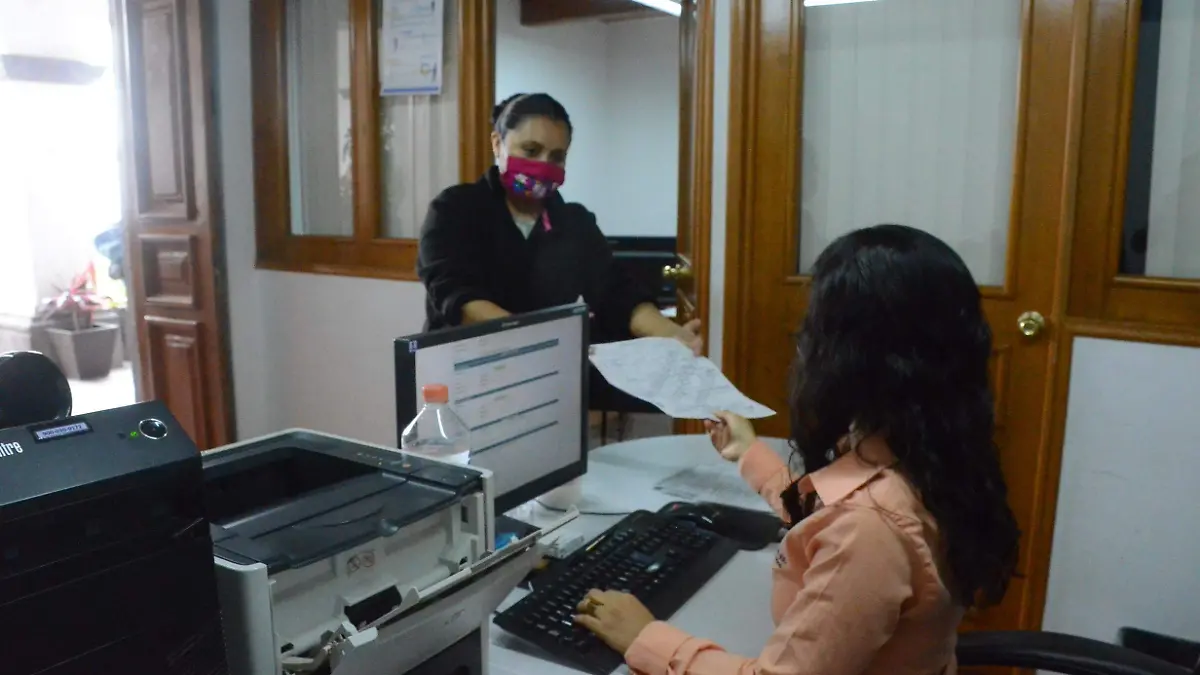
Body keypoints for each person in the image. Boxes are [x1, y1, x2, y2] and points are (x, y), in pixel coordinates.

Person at [574, 224, 1021, 675]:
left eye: (816, 327)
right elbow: (828, 512)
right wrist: (748, 453)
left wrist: (646, 637)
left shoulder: (868, 530)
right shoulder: (932, 451)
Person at [417, 92, 700, 353]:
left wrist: (669, 333)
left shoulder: (575, 223)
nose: (543, 165)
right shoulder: (454, 210)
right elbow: (458, 298)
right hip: (464, 368)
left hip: (544, 371)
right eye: (530, 150)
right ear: (497, 143)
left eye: (556, 156)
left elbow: (616, 292)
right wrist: (536, 342)